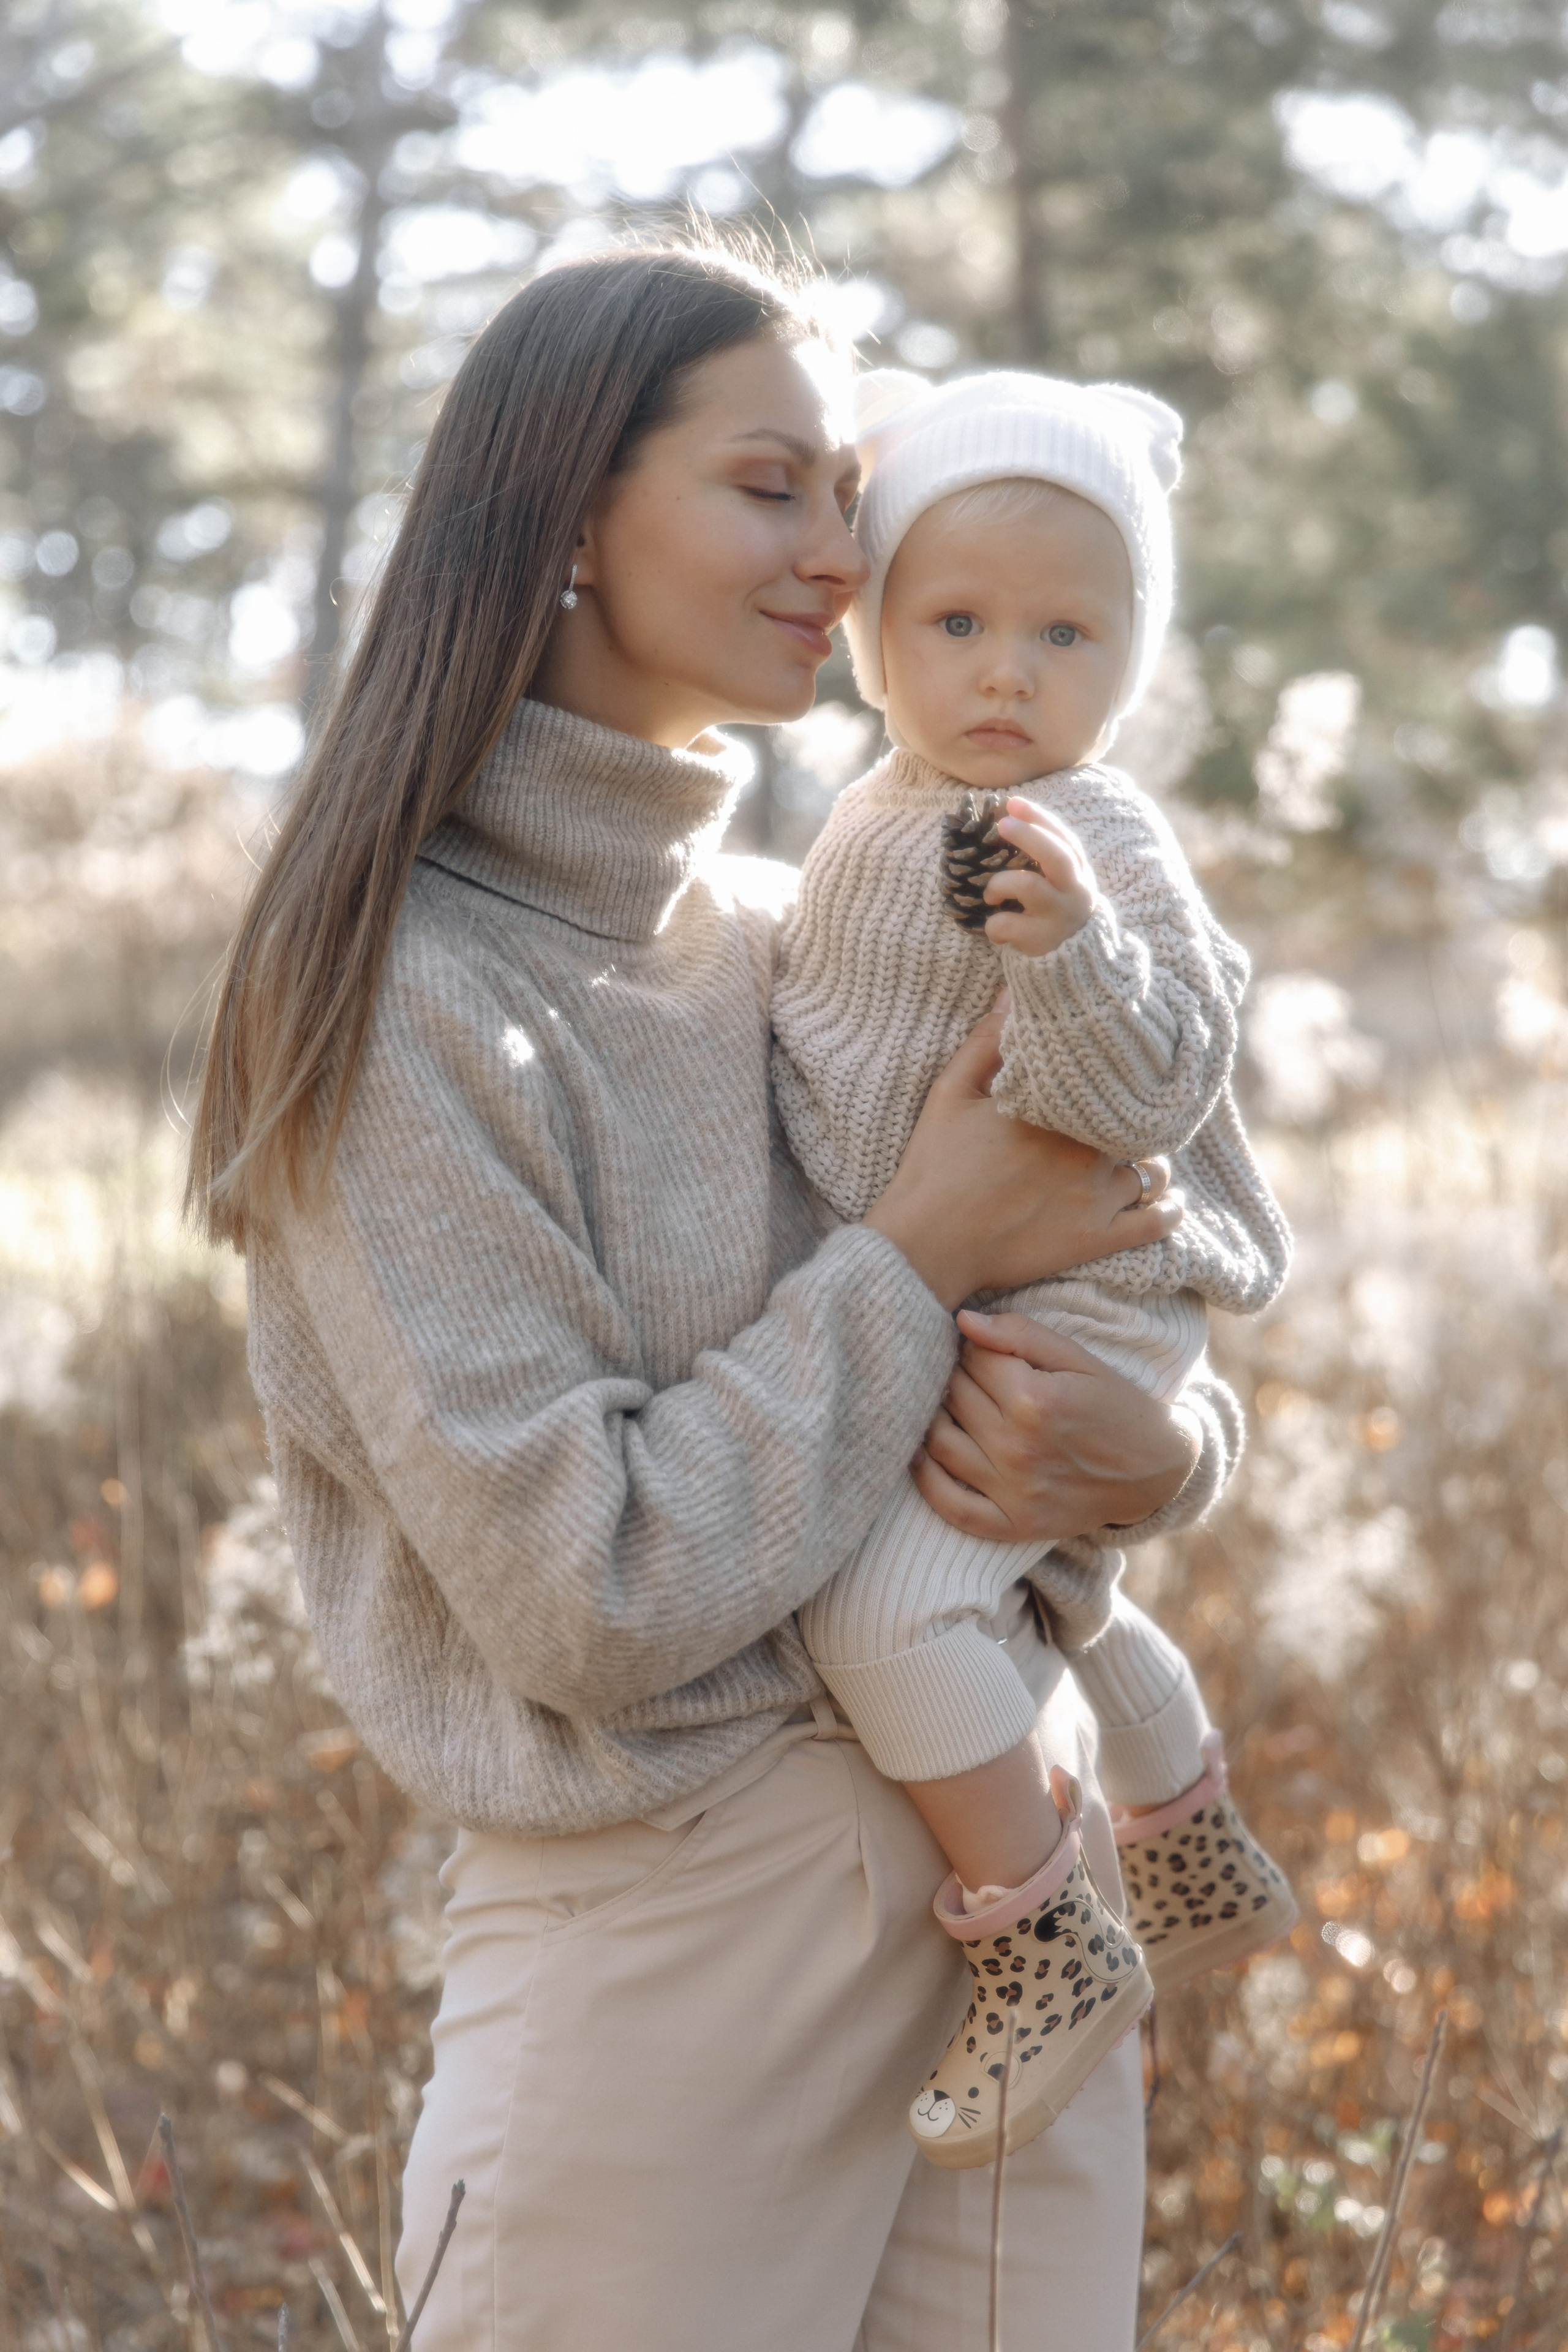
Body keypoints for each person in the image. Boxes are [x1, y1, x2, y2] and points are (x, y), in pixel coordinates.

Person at [188, 241, 1247, 2351]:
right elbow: (586, 1594)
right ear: (574, 508)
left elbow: (1150, 1236)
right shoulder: (412, 995)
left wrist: (1168, 1454)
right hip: (675, 1949)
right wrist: (915, 1251)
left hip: (1019, 1920)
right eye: (773, 486)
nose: (843, 549)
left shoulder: (827, 923)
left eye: (848, 491)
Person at [774, 366, 1298, 2169]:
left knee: (883, 1608)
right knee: (1039, 1581)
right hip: (951, 1285)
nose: (1010, 671)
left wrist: (1070, 952)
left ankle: (1048, 1924)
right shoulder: (864, 820)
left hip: (1082, 1299)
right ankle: (1190, 1820)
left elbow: (1154, 1085)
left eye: (1068, 632)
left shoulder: (1099, 839)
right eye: (960, 620)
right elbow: (831, 1058)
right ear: (875, 637)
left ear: (1130, 660)